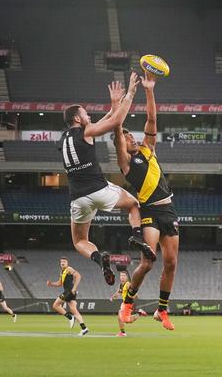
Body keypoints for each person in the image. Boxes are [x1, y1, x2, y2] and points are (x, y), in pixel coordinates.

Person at [61, 73, 155, 286]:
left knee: (79, 241)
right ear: (77, 118)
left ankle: (99, 258)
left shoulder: (64, 138)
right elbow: (116, 122)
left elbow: (107, 119)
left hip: (78, 198)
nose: (89, 117)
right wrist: (131, 92)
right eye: (86, 114)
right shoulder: (86, 131)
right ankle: (137, 236)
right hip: (98, 189)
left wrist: (114, 104)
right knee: (133, 205)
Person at [113, 73, 178, 331]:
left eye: (133, 137)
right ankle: (127, 305)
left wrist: (149, 90)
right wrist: (117, 106)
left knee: (171, 263)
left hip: (169, 209)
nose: (132, 139)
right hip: (149, 211)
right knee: (148, 262)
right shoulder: (126, 163)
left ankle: (161, 310)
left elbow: (152, 118)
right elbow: (117, 130)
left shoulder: (149, 148)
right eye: (128, 139)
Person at [47, 257, 88, 336]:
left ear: (67, 263)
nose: (62, 263)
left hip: (69, 291)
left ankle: (70, 318)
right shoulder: (62, 271)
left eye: (64, 261)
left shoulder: (69, 269)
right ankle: (84, 328)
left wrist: (74, 288)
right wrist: (51, 284)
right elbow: (60, 283)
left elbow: (78, 276)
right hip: (70, 292)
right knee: (74, 310)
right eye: (61, 261)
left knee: (55, 305)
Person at [110, 271, 147, 337]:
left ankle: (140, 313)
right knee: (120, 317)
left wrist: (134, 297)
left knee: (127, 321)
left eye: (124, 276)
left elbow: (135, 294)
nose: (122, 277)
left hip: (129, 304)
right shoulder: (121, 285)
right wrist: (113, 297)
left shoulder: (128, 284)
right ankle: (123, 333)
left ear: (127, 277)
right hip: (124, 304)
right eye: (121, 276)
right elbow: (119, 292)